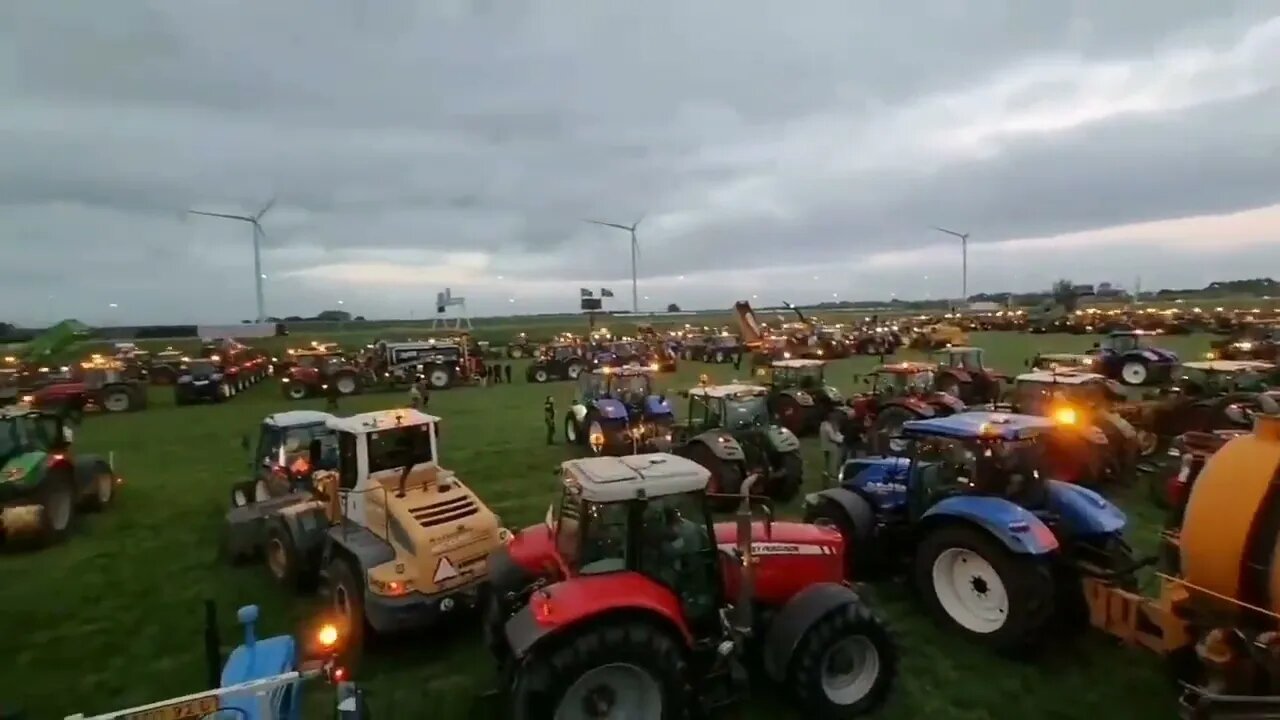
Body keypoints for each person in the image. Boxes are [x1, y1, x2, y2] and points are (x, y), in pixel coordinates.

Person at [819, 409, 846, 487]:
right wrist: (843, 439)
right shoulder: (828, 426)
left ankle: (826, 477)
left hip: (825, 446)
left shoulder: (823, 424)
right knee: (832, 462)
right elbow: (833, 437)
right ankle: (832, 478)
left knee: (827, 462)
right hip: (832, 447)